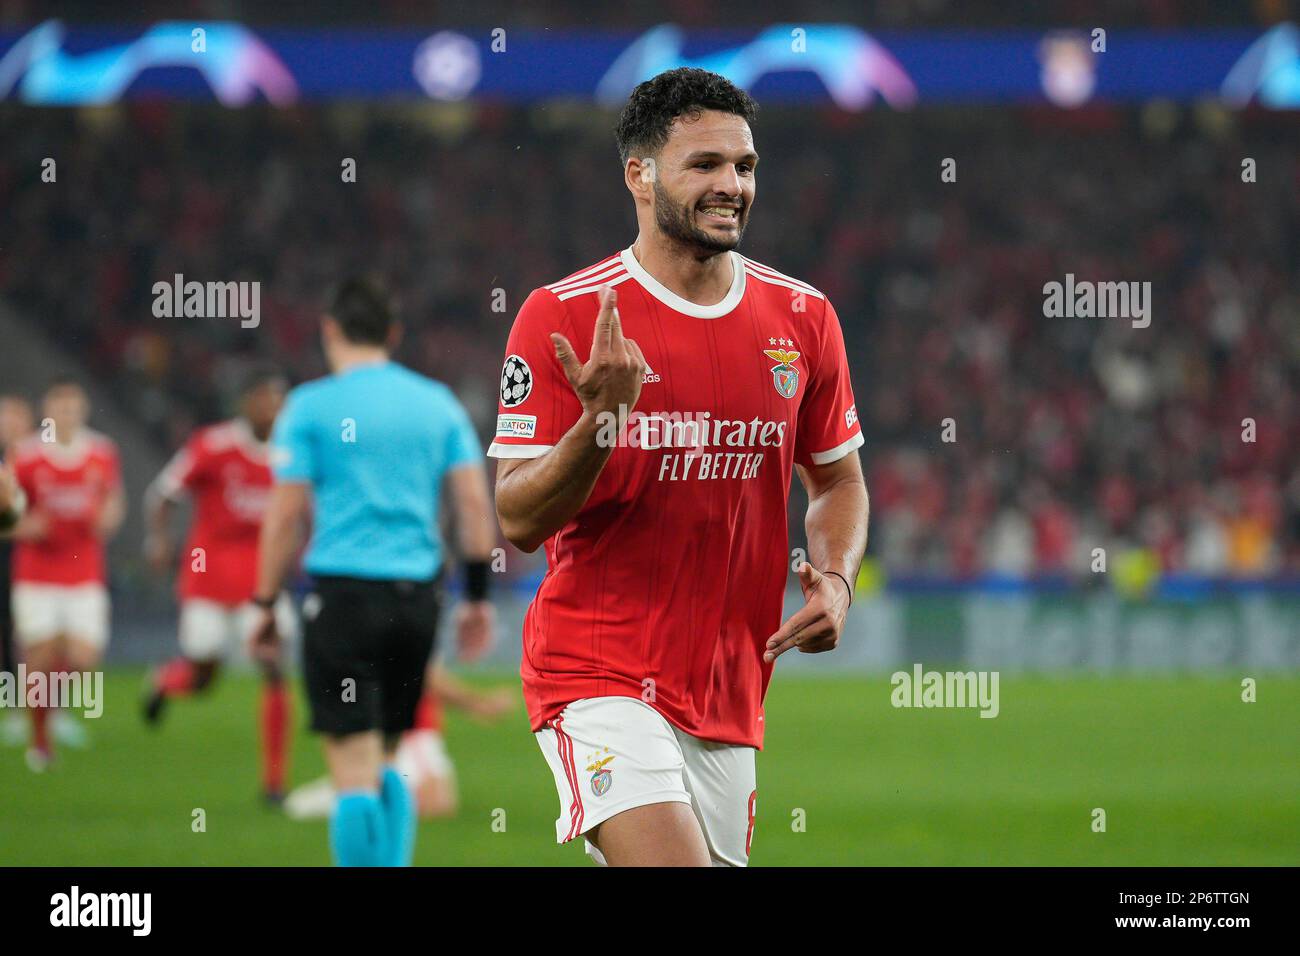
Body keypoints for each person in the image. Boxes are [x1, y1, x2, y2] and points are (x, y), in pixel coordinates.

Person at [491, 68, 869, 866]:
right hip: (596, 668)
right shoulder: (562, 314)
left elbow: (837, 479)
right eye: (705, 165)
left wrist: (836, 579)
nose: (731, 185)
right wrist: (602, 420)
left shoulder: (803, 318)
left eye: (745, 166)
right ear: (640, 173)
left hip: (731, 688)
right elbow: (519, 519)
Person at [251, 276, 497, 866]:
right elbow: (470, 504)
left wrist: (263, 603)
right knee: (388, 758)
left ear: (329, 329)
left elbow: (285, 514)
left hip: (341, 599)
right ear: (393, 333)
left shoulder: (309, 407)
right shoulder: (437, 403)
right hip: (416, 602)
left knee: (352, 774)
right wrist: (476, 600)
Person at [140, 369, 296, 803]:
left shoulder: (291, 449)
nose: (272, 408)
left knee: (274, 668)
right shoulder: (212, 446)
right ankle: (163, 682)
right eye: (264, 398)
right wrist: (158, 541)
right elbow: (162, 494)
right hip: (207, 578)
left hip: (260, 583)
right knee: (203, 676)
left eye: (277, 399)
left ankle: (274, 782)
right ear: (245, 403)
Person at [9, 379, 125, 771]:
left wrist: (108, 518)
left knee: (84, 657)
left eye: (73, 406)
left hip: (84, 571)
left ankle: (51, 711)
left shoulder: (101, 453)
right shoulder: (24, 457)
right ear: (47, 409)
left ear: (84, 409)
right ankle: (39, 742)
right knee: (39, 660)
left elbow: (114, 502)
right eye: (60, 405)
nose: (67, 413)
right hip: (37, 574)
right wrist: (24, 526)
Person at [282, 659, 516, 821]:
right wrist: (478, 703)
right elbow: (423, 673)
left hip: (413, 727)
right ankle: (348, 793)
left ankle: (356, 788)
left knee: (435, 803)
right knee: (434, 803)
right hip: (408, 729)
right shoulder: (408, 602)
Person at [0, 395, 34, 747]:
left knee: (31, 636)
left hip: (31, 560)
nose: (8, 424)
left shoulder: (37, 460)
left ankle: (49, 709)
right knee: (7, 633)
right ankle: (12, 709)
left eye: (14, 417)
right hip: (5, 555)